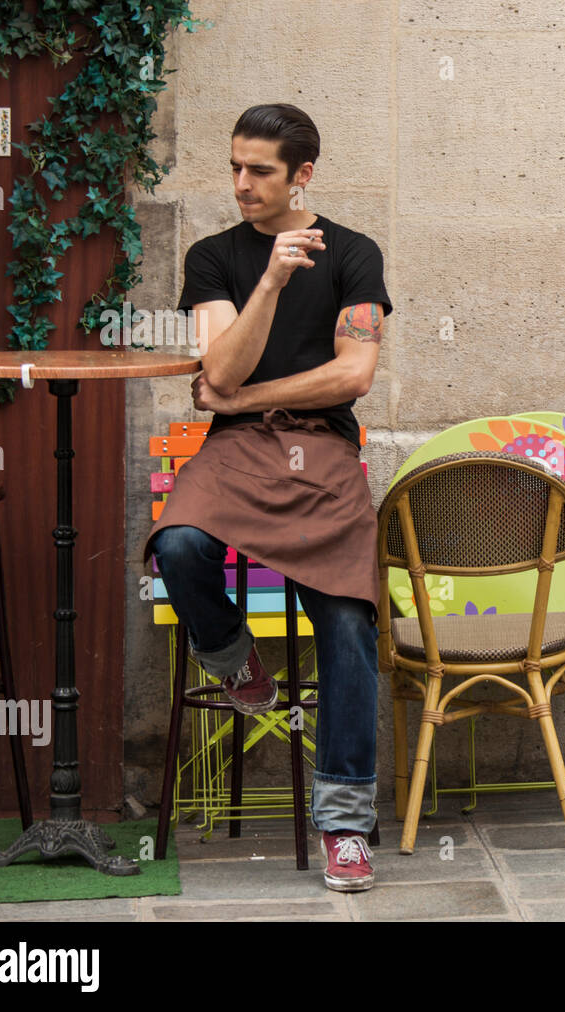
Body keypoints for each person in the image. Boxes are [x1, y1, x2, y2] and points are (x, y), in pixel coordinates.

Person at [144, 104, 391, 890]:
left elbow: (354, 375)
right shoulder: (214, 257)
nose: (242, 184)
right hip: (238, 453)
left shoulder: (355, 253)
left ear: (303, 175)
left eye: (260, 171)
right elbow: (217, 372)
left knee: (349, 624)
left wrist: (244, 397)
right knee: (177, 545)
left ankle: (345, 825)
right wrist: (274, 281)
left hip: (321, 447)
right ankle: (233, 659)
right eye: (236, 168)